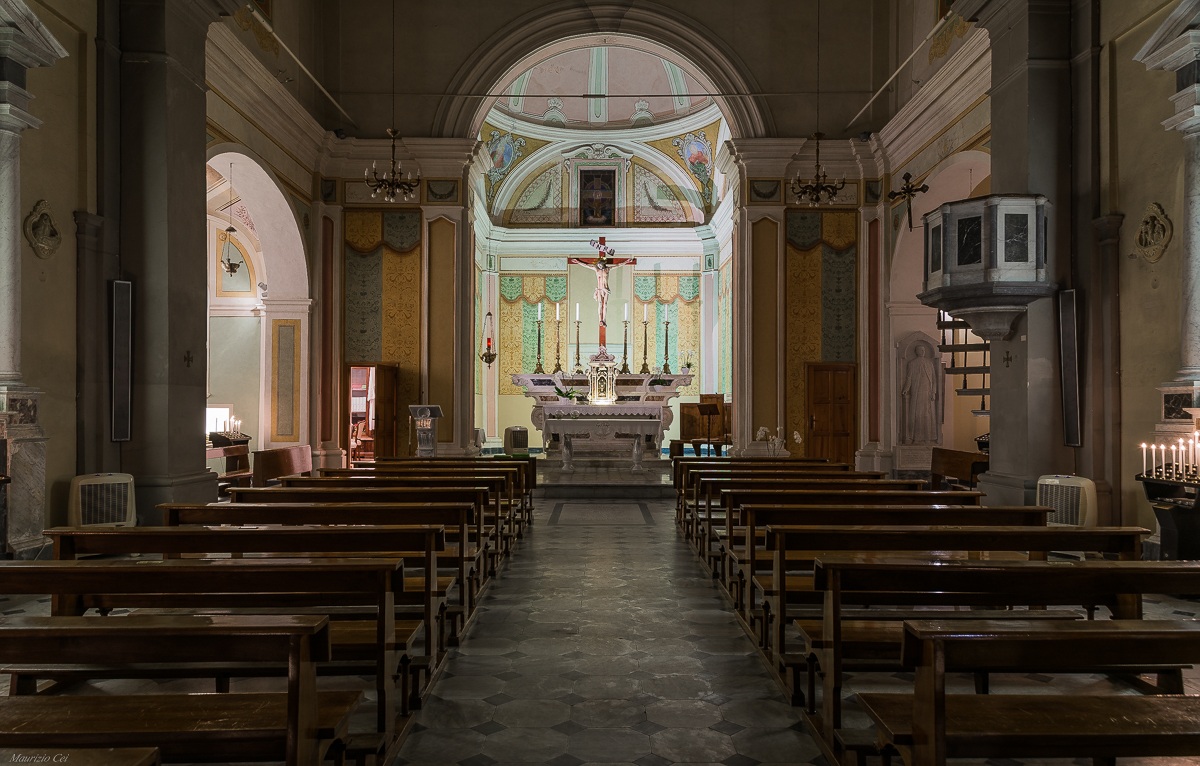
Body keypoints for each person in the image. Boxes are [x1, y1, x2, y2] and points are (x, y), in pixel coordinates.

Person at [901, 344, 939, 444]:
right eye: (920, 350)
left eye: (923, 350)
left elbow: (934, 379)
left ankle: (928, 438)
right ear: (916, 351)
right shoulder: (912, 363)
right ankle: (916, 438)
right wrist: (906, 388)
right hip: (917, 392)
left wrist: (933, 392)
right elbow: (909, 378)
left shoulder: (929, 363)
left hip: (928, 393)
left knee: (927, 415)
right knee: (917, 414)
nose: (922, 351)